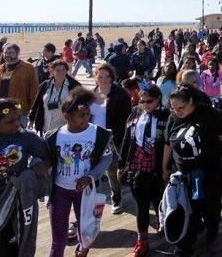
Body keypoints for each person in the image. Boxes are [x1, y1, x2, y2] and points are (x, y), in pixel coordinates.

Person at [163, 85, 222, 256]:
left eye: (181, 108)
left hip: (209, 173)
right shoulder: (173, 117)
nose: (177, 112)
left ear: (191, 102)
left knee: (210, 209)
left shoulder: (208, 113)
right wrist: (164, 168)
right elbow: (168, 145)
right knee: (187, 210)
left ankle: (213, 227)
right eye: (173, 108)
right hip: (184, 175)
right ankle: (185, 246)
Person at [0, 98, 49, 256]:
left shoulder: (26, 138)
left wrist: (38, 163)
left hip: (13, 208)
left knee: (9, 253)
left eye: (17, 119)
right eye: (10, 121)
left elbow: (47, 156)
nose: (16, 123)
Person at [46, 88, 113, 257]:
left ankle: (82, 250)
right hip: (59, 191)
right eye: (81, 115)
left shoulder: (99, 134)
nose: (86, 118)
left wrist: (90, 176)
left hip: (85, 193)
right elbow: (44, 160)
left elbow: (107, 158)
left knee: (86, 234)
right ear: (67, 115)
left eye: (87, 114)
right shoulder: (53, 137)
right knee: (58, 238)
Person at [118, 84, 170, 257]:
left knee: (159, 198)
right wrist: (121, 164)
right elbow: (127, 139)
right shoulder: (135, 114)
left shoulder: (165, 116)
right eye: (142, 101)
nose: (145, 105)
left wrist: (166, 168)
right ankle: (142, 240)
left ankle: (162, 220)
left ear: (158, 100)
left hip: (157, 164)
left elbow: (170, 144)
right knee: (141, 204)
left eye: (149, 101)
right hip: (138, 163)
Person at [90, 63, 132, 215]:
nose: (104, 79)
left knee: (111, 170)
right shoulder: (90, 94)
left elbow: (127, 118)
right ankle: (91, 200)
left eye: (107, 76)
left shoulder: (120, 94)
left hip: (112, 139)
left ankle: (117, 197)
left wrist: (117, 137)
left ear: (111, 77)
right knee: (91, 169)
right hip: (92, 139)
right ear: (96, 77)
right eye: (100, 76)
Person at [0, 43, 39, 127]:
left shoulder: (28, 68)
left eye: (11, 52)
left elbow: (34, 89)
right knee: (0, 136)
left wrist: (31, 108)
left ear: (17, 53)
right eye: (5, 53)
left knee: (19, 137)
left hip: (18, 110)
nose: (7, 55)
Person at [29, 59, 81, 135]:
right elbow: (37, 103)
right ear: (52, 71)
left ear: (66, 71)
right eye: (58, 70)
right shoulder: (46, 85)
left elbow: (80, 105)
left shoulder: (74, 85)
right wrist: (31, 119)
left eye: (63, 69)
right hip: (47, 126)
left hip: (66, 127)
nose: (61, 72)